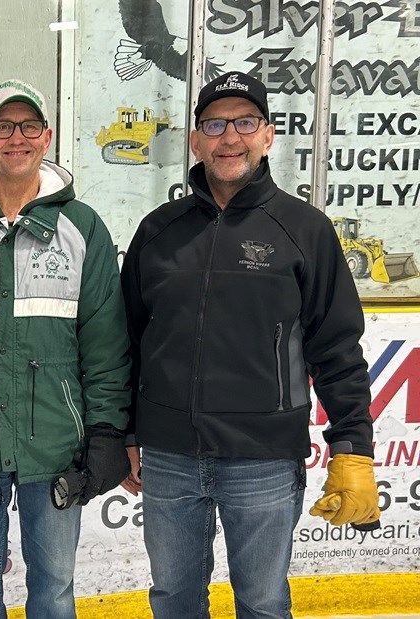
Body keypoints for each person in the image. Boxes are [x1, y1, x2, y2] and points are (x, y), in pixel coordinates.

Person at [119, 71, 381, 618]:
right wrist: (127, 431)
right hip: (169, 456)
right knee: (173, 600)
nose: (229, 138)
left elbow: (336, 346)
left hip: (262, 458)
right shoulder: (158, 230)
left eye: (244, 123)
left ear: (267, 136)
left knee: (262, 604)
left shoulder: (304, 230)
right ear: (195, 139)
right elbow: (131, 342)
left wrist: (352, 443)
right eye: (214, 124)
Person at [0, 79, 132, 619]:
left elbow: (105, 344)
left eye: (29, 126)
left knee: (56, 588)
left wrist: (107, 432)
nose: (16, 137)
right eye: (3, 127)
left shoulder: (82, 227)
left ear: (47, 137)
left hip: (57, 444)